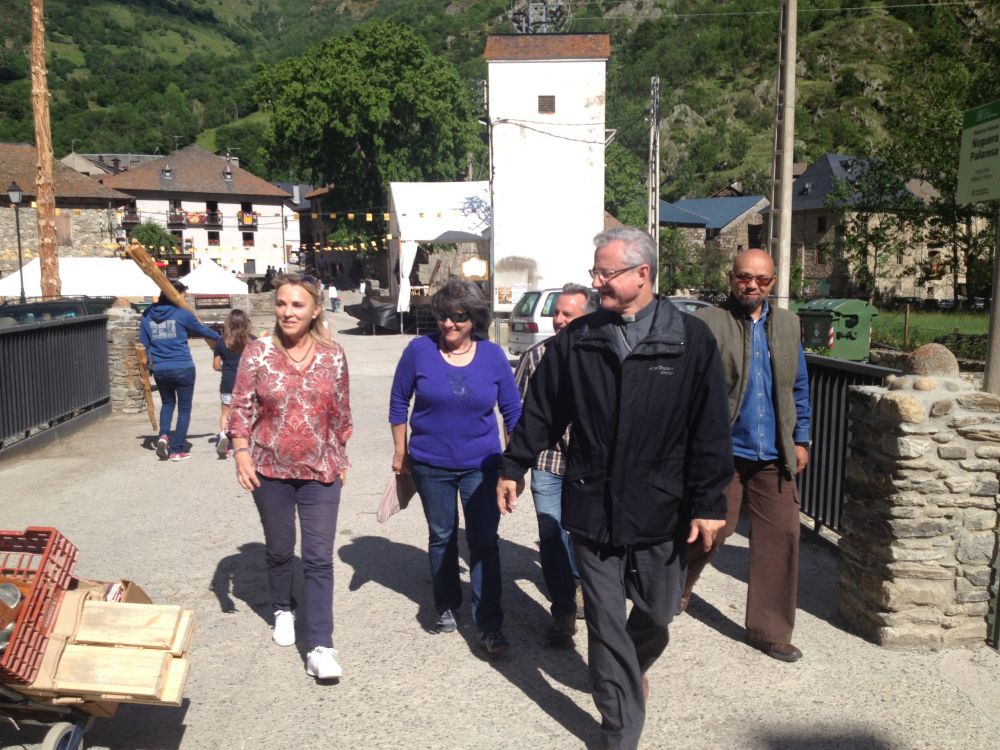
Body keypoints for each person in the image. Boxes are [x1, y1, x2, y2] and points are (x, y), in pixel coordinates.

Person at [498, 227, 733, 750]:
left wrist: (709, 502)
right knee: (604, 622)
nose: (597, 282)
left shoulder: (690, 340)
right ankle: (619, 730)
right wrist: (513, 466)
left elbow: (710, 428)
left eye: (606, 273)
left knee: (656, 613)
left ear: (642, 274)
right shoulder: (578, 341)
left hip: (660, 502)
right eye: (595, 272)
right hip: (591, 499)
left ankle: (624, 670)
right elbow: (541, 411)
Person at [681, 248, 812, 663]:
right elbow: (688, 388)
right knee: (710, 534)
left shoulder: (790, 325)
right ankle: (674, 588)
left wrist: (802, 439)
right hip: (723, 452)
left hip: (775, 454)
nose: (752, 285)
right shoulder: (706, 323)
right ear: (731, 278)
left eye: (762, 279)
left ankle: (770, 631)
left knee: (782, 540)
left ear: (773, 282)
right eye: (743, 277)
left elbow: (800, 388)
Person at [227, 274, 352, 681]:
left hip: (321, 470)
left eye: (298, 305)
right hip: (269, 468)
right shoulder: (258, 353)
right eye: (282, 304)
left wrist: (341, 455)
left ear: (315, 309)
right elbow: (241, 407)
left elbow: (341, 412)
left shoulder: (334, 355)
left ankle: (321, 646)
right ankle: (283, 606)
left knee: (318, 558)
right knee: (281, 548)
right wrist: (241, 454)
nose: (288, 312)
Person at [389, 278, 521, 657]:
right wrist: (401, 452)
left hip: (482, 465)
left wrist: (512, 468)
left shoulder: (493, 356)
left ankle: (489, 623)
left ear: (475, 318)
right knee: (442, 536)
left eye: (459, 317)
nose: (449, 325)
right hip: (431, 463)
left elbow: (512, 413)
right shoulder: (419, 351)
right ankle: (446, 604)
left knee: (483, 542)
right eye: (443, 317)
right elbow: (399, 402)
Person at [512, 283, 595, 647]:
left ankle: (582, 588)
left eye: (568, 314)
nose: (559, 320)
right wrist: (512, 466)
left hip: (589, 465)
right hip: (547, 460)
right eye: (557, 313)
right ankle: (562, 610)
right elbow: (518, 413)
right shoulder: (536, 355)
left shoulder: (602, 358)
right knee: (551, 532)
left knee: (584, 534)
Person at [140, 280, 221, 462]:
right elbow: (203, 330)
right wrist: (223, 339)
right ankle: (177, 450)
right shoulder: (181, 314)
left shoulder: (147, 315)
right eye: (184, 294)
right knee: (184, 409)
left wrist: (146, 369)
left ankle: (163, 436)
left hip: (160, 368)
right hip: (182, 366)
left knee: (168, 403)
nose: (185, 298)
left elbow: (144, 344)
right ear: (176, 294)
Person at [212, 309, 255, 458]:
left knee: (225, 412)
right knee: (246, 412)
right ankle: (243, 442)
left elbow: (216, 365)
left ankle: (224, 436)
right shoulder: (253, 341)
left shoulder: (221, 341)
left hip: (228, 382)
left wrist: (227, 367)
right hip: (247, 384)